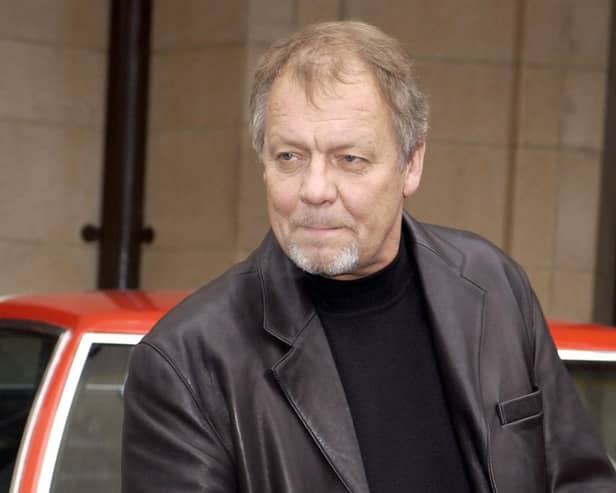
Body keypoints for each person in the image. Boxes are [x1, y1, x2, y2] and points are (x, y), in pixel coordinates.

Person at [121, 21, 616, 492]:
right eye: (289, 157)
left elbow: (578, 479)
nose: (314, 190)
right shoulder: (187, 363)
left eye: (349, 159)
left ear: (411, 164)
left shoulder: (492, 283)